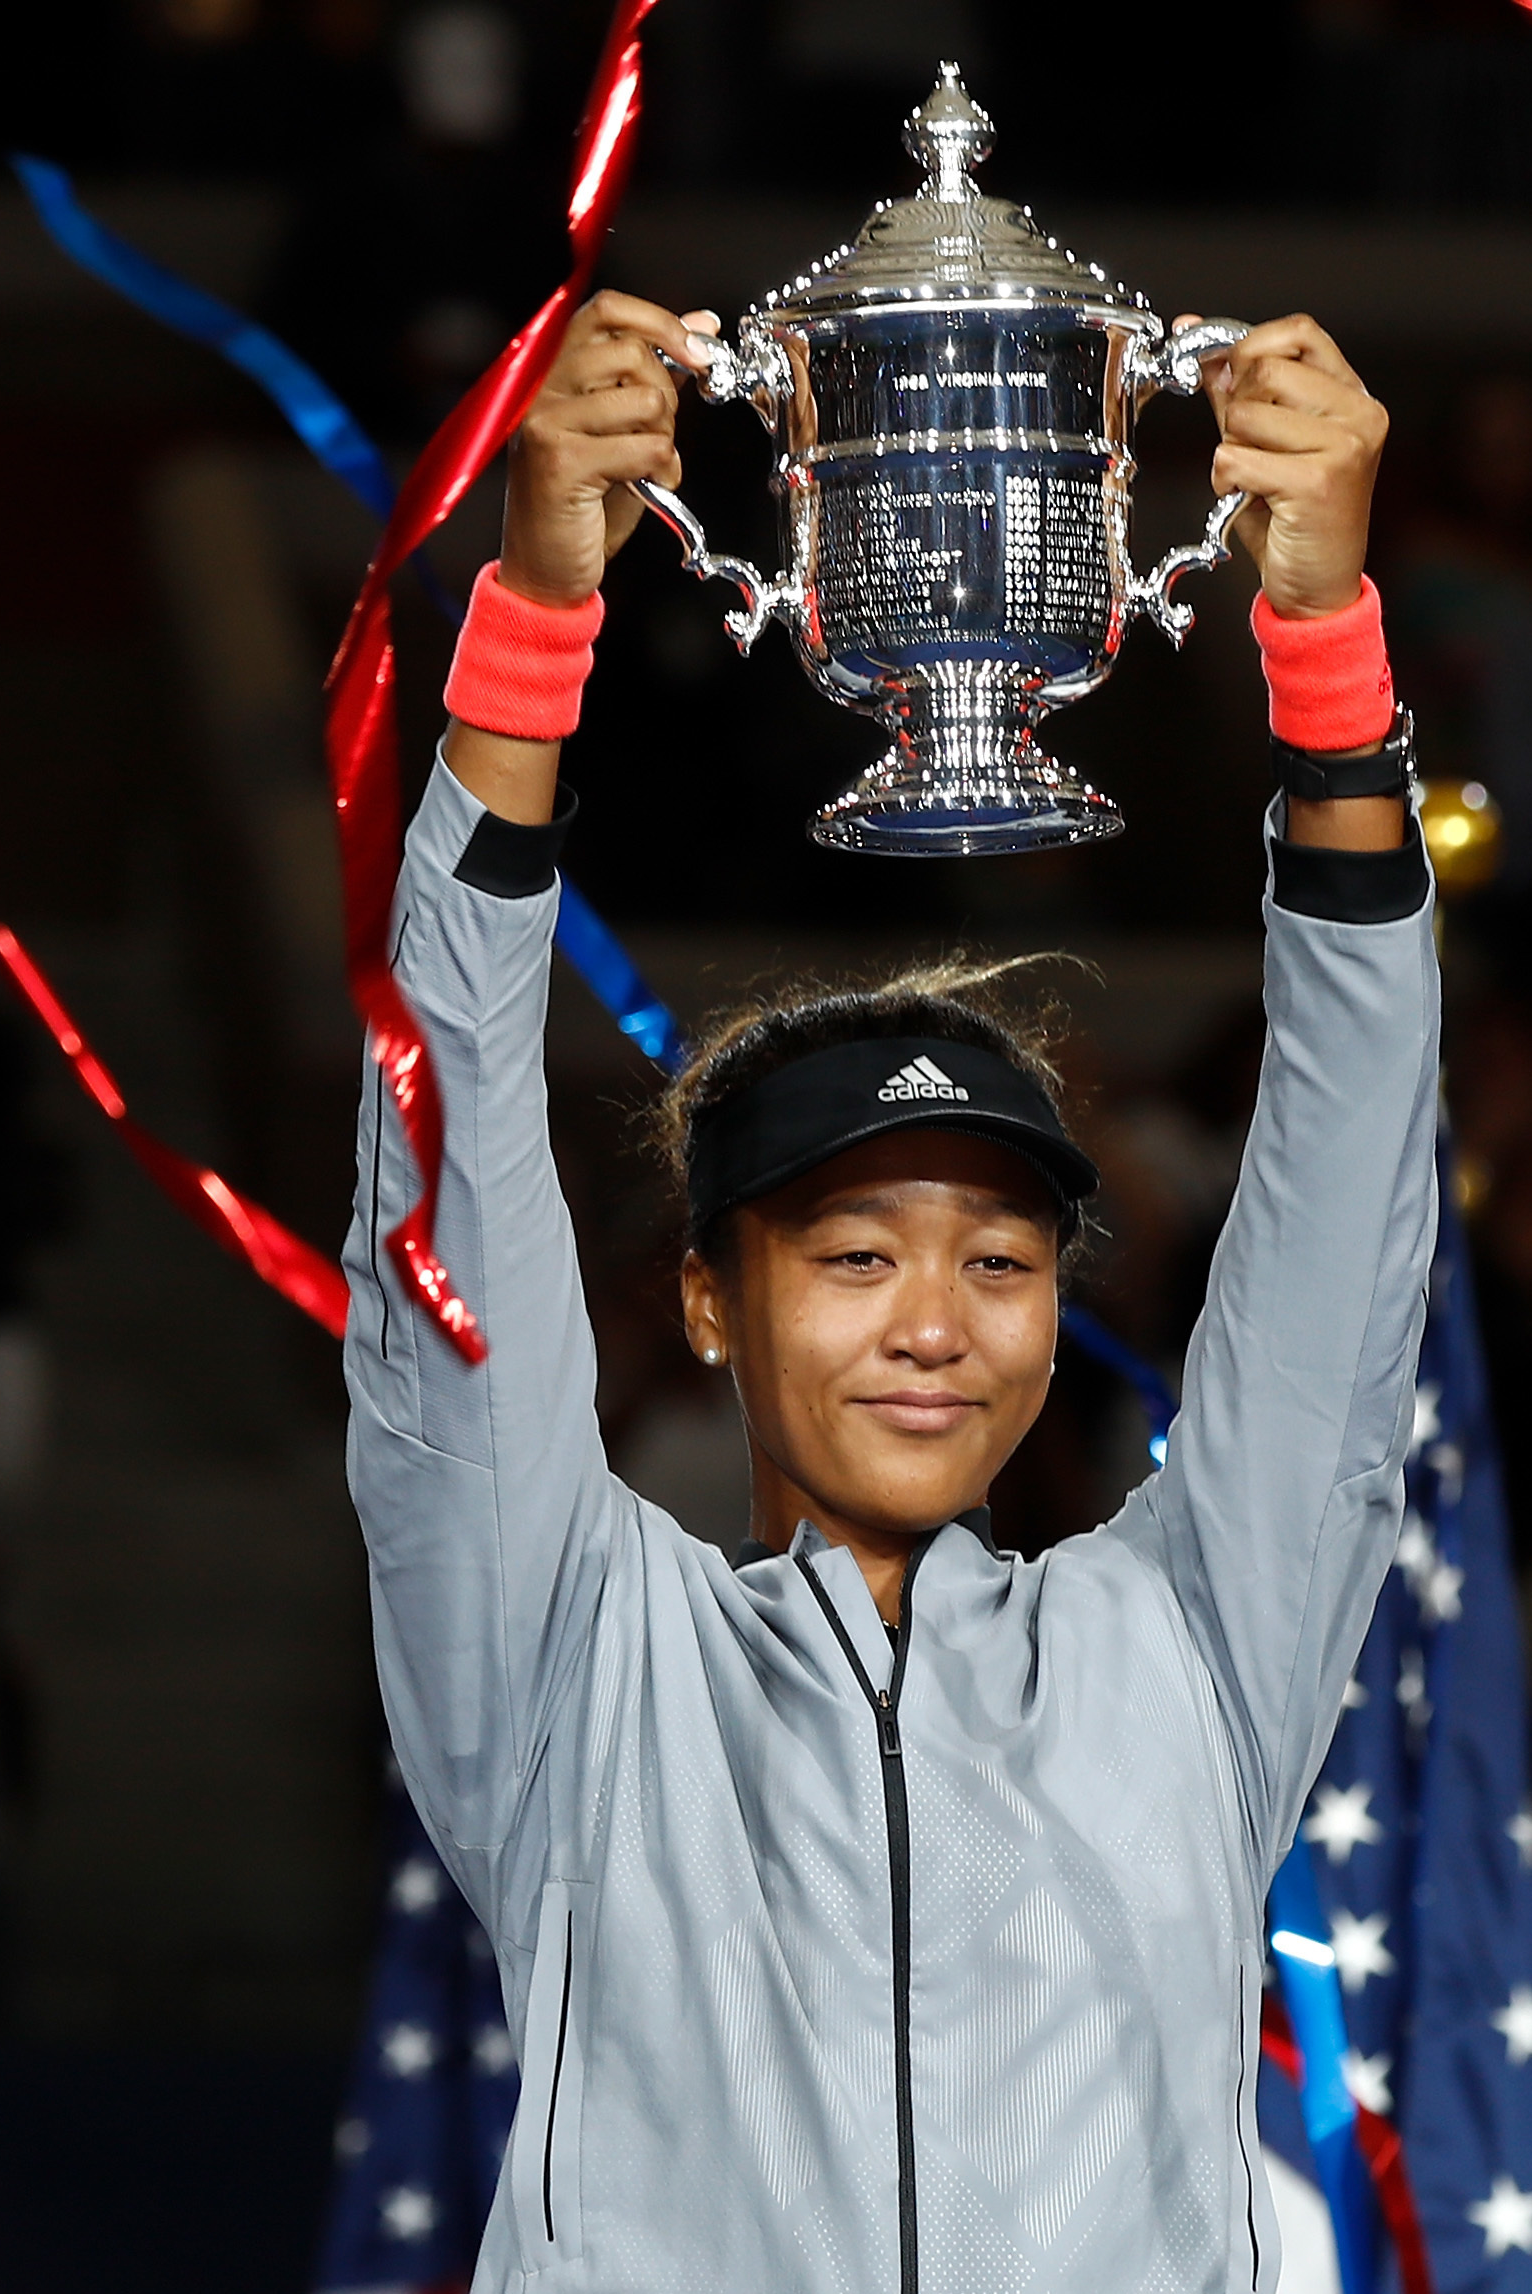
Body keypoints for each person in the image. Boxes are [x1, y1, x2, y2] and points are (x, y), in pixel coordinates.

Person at [349, 291, 1425, 2289]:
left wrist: (1325, 662)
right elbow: (441, 1186)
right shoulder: (573, 1661)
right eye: (848, 1254)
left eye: (995, 1261)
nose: (930, 1319)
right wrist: (524, 623)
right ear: (701, 1302)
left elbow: (1340, 1232)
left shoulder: (1188, 1648)